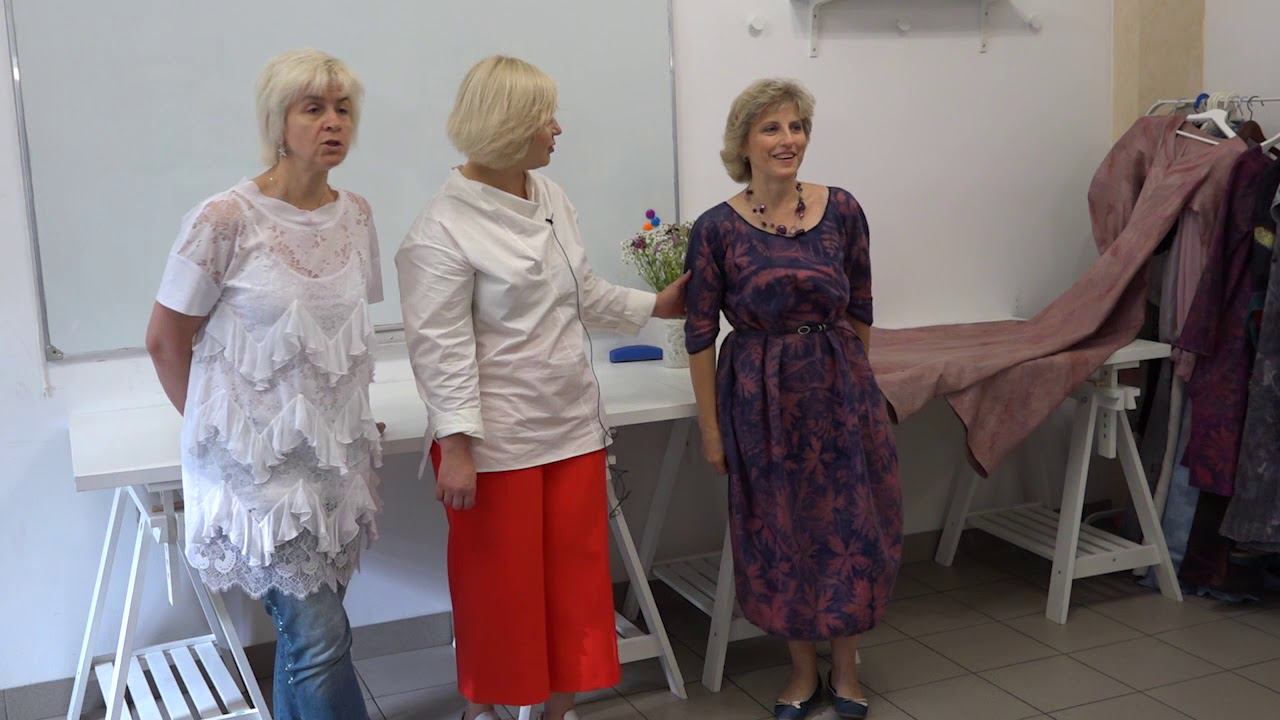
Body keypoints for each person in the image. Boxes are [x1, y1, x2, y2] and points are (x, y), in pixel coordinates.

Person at [396, 55, 688, 720]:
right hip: (496, 444)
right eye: (544, 118)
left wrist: (654, 306)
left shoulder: (549, 196)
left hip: (571, 427)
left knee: (575, 587)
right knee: (500, 594)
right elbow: (439, 349)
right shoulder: (441, 229)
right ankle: (485, 708)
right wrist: (457, 448)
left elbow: (580, 292)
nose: (558, 129)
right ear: (508, 126)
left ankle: (558, 712)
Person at [145, 48, 381, 720]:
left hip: (332, 469)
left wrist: (350, 420)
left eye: (343, 109)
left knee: (310, 642)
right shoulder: (225, 218)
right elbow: (165, 340)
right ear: (279, 122)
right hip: (255, 479)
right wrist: (218, 436)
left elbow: (339, 339)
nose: (333, 122)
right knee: (320, 637)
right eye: (314, 108)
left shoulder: (357, 215)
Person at [683, 78, 902, 720]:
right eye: (772, 128)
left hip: (839, 389)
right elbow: (699, 335)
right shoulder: (716, 228)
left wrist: (856, 385)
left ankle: (847, 669)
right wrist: (711, 430)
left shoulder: (843, 209)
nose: (788, 140)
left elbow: (861, 306)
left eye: (797, 126)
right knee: (783, 530)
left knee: (850, 524)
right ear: (744, 142)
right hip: (761, 398)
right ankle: (802, 670)